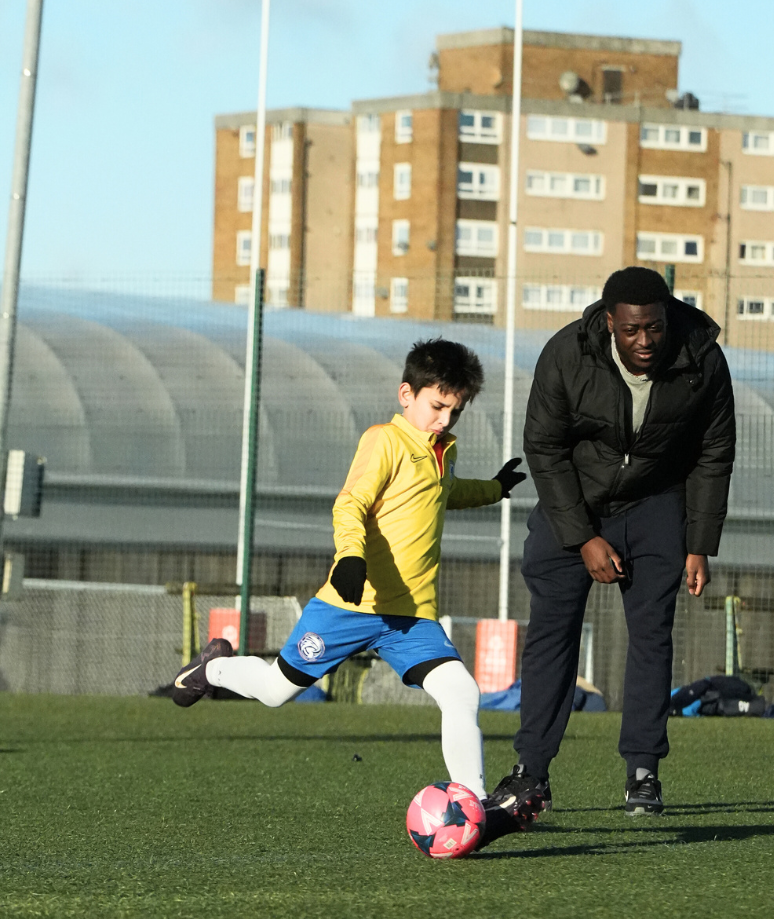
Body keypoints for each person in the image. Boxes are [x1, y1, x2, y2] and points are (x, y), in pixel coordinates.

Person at [169, 337, 537, 844]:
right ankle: (209, 668)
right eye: (437, 407)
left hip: (409, 615)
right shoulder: (383, 440)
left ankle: (470, 809)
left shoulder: (441, 452)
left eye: (455, 411)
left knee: (460, 691)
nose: (445, 420)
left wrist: (494, 489)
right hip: (349, 606)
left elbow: (443, 494)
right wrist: (350, 557)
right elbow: (351, 504)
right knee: (277, 690)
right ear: (406, 394)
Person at [489, 267, 736, 816]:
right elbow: (545, 448)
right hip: (573, 502)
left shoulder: (704, 360)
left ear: (667, 317)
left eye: (653, 327)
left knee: (652, 635)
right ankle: (532, 772)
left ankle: (643, 773)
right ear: (609, 323)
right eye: (631, 330)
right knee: (552, 632)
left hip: (654, 505)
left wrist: (699, 544)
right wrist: (583, 539)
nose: (644, 341)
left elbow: (713, 453)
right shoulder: (566, 355)